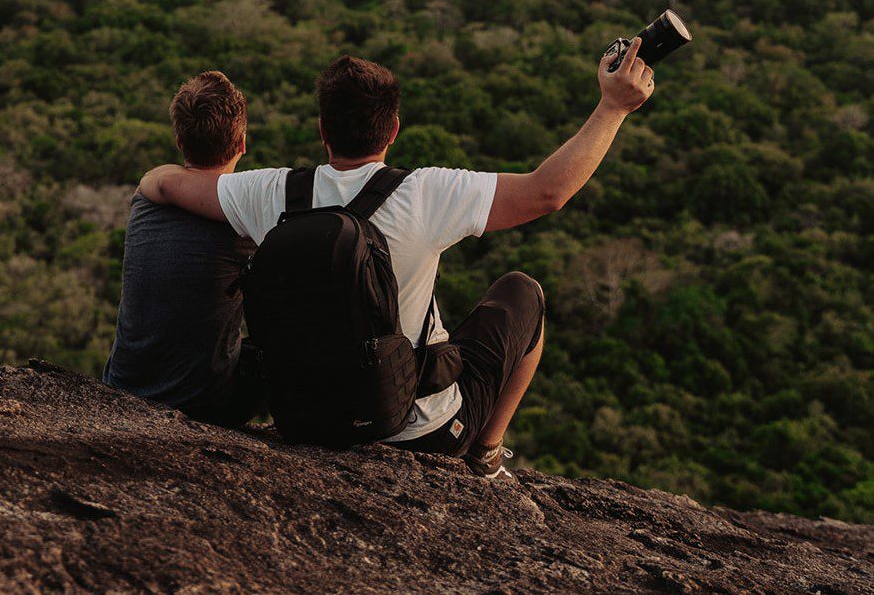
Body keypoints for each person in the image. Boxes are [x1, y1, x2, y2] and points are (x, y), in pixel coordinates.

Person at [139, 39, 654, 478]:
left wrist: (154, 177)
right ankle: (486, 457)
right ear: (393, 130)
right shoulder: (427, 192)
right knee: (524, 295)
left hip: (307, 422)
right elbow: (549, 192)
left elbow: (164, 185)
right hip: (417, 433)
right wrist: (612, 108)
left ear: (323, 130)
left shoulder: (271, 192)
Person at [103, 70, 264, 427]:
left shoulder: (146, 199)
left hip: (122, 385)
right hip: (205, 405)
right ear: (241, 144)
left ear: (179, 141)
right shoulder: (243, 224)